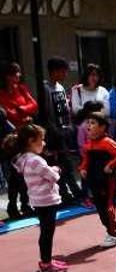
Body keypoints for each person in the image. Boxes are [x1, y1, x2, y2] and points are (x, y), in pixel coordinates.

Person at [5, 124, 67, 272]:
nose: (44, 143)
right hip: (46, 200)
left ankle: (47, 260)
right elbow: (52, 176)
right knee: (47, 232)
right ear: (31, 141)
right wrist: (56, 169)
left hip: (38, 200)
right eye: (42, 140)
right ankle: (46, 263)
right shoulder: (35, 160)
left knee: (45, 231)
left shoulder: (23, 159)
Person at [78, 112, 116, 247]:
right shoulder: (89, 145)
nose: (89, 126)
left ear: (102, 127)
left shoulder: (107, 142)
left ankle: (114, 234)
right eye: (88, 123)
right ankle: (110, 231)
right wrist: (83, 169)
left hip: (107, 181)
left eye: (93, 123)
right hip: (94, 181)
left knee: (108, 207)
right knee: (100, 208)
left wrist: (110, 166)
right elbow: (86, 160)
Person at [38, 57, 80, 203]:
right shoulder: (45, 88)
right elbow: (45, 112)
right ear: (54, 71)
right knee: (59, 164)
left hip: (64, 130)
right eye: (63, 71)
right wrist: (52, 131)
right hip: (53, 133)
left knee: (66, 163)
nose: (65, 74)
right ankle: (65, 192)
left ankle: (70, 191)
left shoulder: (60, 87)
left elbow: (66, 109)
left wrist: (69, 126)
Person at [1, 61, 38, 218]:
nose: (18, 76)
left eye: (18, 73)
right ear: (7, 76)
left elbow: (33, 104)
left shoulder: (22, 88)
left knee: (26, 173)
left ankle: (26, 203)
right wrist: (21, 115)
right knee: (14, 175)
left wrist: (22, 110)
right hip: (10, 139)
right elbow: (6, 114)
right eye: (15, 73)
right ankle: (12, 206)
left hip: (24, 136)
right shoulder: (1, 92)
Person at [75, 101, 105, 207]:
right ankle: (85, 198)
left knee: (98, 177)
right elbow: (81, 143)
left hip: (98, 156)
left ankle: (98, 196)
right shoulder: (83, 126)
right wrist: (86, 156)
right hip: (87, 157)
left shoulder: (99, 125)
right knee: (86, 179)